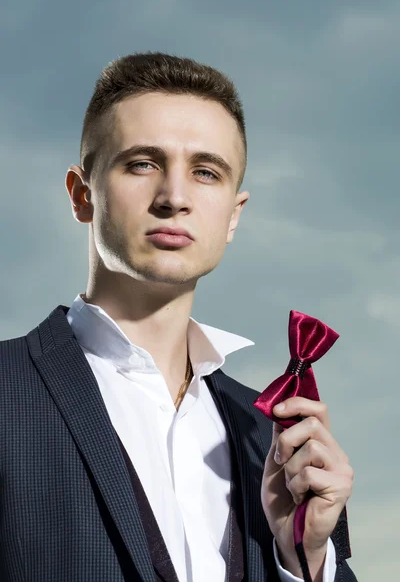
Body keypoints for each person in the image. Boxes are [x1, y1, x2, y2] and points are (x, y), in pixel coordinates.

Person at [0, 53, 357, 582]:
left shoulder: (271, 435)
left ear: (233, 215)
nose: (174, 197)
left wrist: (302, 561)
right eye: (143, 163)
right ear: (82, 195)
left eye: (205, 172)